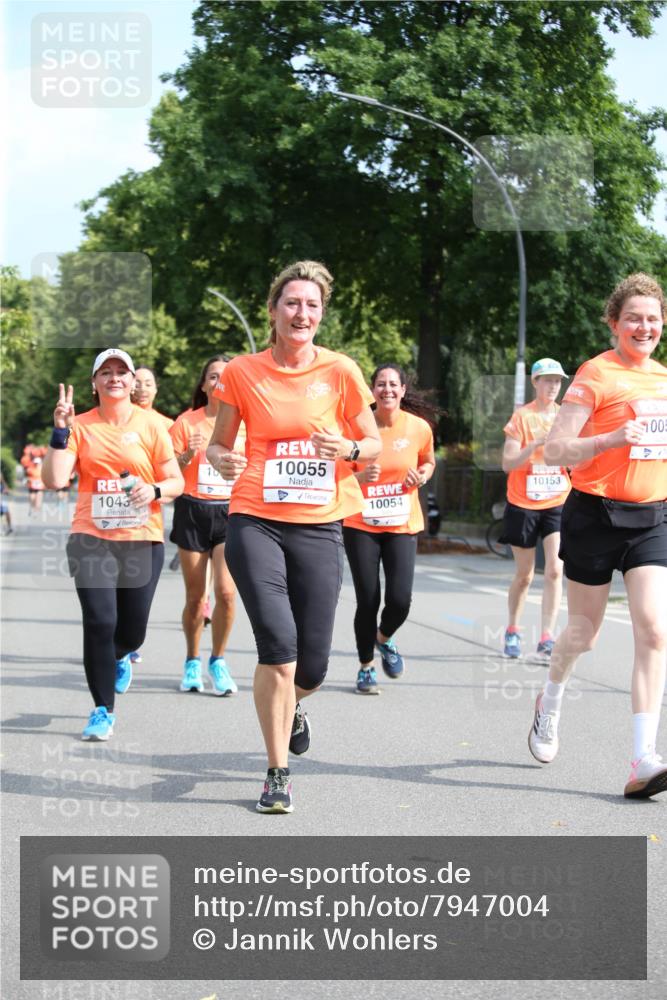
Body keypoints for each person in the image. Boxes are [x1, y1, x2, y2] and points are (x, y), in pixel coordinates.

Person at [207, 260, 380, 813]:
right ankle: (276, 772)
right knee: (278, 651)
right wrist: (223, 459)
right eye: (291, 303)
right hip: (254, 517)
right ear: (273, 310)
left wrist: (348, 450)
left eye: (311, 305)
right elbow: (217, 443)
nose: (300, 313)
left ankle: (295, 704)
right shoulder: (242, 371)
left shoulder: (341, 371)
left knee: (313, 668)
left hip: (320, 523)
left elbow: (373, 443)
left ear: (321, 314)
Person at [528, 273, 667, 799]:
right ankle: (550, 698)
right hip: (594, 515)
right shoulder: (596, 373)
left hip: (654, 518)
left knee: (655, 631)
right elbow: (557, 450)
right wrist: (608, 438)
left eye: (653, 318)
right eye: (633, 317)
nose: (644, 326)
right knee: (584, 633)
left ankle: (642, 758)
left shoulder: (664, 380)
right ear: (614, 323)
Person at [41, 348, 183, 740]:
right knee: (100, 622)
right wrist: (60, 431)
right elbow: (55, 479)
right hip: (91, 538)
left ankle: (122, 654)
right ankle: (102, 709)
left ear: (133, 381)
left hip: (141, 538)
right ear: (94, 383)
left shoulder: (153, 426)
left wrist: (153, 490)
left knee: (131, 631)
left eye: (122, 371)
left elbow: (176, 481)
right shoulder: (79, 426)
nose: (115, 377)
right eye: (106, 372)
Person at [342, 363, 436, 694]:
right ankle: (366, 666)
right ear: (372, 390)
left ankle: (384, 638)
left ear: (403, 390)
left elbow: (428, 461)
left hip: (402, 523)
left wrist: (421, 476)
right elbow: (337, 475)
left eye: (393, 384)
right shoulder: (357, 428)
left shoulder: (419, 428)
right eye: (380, 384)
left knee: (400, 599)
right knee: (368, 599)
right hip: (360, 523)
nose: (387, 390)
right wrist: (357, 477)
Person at [169, 355, 243, 695]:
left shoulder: (246, 423)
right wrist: (186, 455)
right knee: (196, 597)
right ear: (204, 385)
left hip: (232, 511)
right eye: (213, 376)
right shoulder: (186, 422)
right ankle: (191, 660)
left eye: (225, 377)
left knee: (226, 593)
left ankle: (218, 660)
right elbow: (167, 472)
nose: (219, 382)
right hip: (193, 509)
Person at [500, 359, 571, 659]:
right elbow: (507, 464)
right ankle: (513, 630)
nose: (553, 386)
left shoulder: (565, 416)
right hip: (523, 503)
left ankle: (547, 637)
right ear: (535, 382)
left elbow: (575, 458)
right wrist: (536, 445)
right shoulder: (522, 417)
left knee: (555, 569)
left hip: (557, 501)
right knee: (525, 575)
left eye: (557, 381)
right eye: (547, 380)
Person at [128, 366, 174, 664]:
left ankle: (127, 639)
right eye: (138, 383)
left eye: (148, 383)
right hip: (109, 518)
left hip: (150, 514)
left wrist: (158, 490)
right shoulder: (111, 418)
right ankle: (116, 642)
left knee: (137, 594)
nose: (143, 388)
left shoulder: (166, 425)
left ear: (156, 388)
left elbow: (176, 474)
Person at [131, 366, 174, 431]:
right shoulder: (119, 419)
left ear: (155, 389)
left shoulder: (167, 424)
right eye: (137, 385)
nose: (142, 389)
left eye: (148, 384)